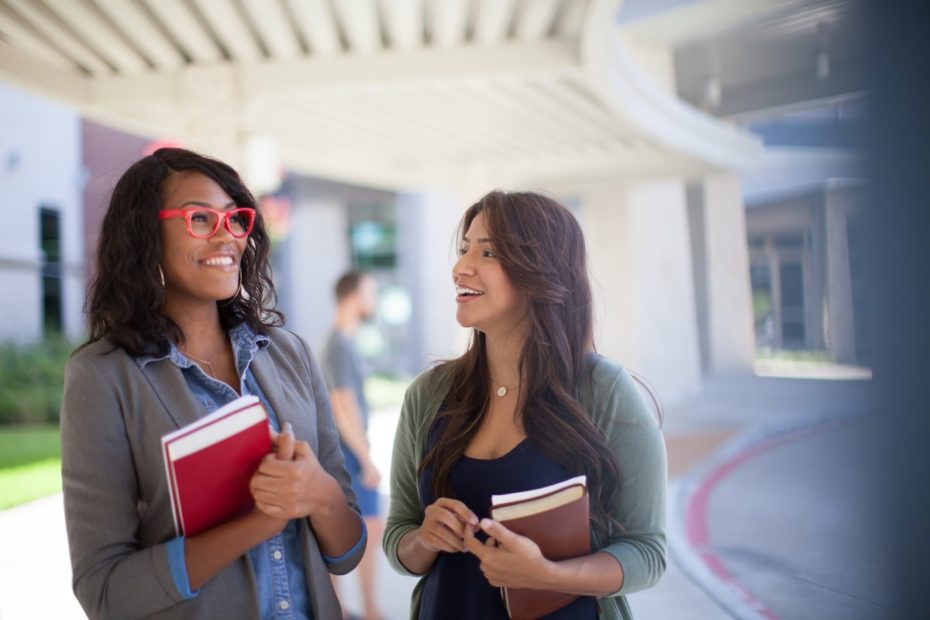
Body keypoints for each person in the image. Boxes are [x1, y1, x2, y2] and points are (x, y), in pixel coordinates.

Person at [60, 147, 366, 620]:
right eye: (199, 219)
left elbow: (346, 551)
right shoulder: (103, 377)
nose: (226, 237)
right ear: (145, 233)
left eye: (234, 219)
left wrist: (320, 494)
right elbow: (105, 593)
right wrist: (258, 522)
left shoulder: (292, 355)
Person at [383, 191, 667, 619]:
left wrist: (547, 574)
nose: (461, 267)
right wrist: (425, 538)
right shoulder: (428, 394)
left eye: (489, 251)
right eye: (464, 250)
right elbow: (398, 540)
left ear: (540, 273)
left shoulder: (603, 390)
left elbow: (647, 552)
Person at [321, 271, 385, 620]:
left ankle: (350, 609)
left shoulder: (342, 342)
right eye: (370, 292)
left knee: (364, 530)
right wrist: (367, 460)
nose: (373, 299)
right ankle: (361, 611)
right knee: (365, 530)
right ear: (352, 296)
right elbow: (342, 410)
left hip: (353, 452)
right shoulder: (340, 345)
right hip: (350, 455)